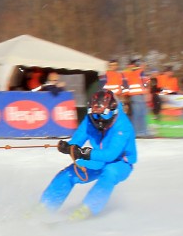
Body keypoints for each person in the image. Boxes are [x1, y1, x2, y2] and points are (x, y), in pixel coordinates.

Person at [40, 89, 137, 220]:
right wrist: (68, 147)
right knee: (69, 174)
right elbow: (77, 140)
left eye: (102, 116)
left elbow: (110, 155)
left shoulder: (123, 126)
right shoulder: (91, 119)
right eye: (96, 115)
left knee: (110, 172)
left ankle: (88, 209)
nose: (99, 120)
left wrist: (84, 153)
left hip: (120, 162)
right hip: (97, 158)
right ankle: (44, 207)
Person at [122, 59, 148, 137]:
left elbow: (125, 85)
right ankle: (142, 131)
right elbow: (145, 83)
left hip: (132, 96)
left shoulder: (128, 73)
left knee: (135, 114)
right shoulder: (140, 72)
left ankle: (135, 132)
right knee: (142, 114)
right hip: (140, 95)